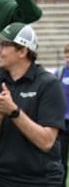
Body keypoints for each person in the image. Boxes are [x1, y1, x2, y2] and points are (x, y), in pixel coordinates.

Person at [0, 23, 65, 186]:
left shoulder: (48, 84)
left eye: (3, 45)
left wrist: (14, 111)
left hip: (40, 181)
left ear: (23, 51)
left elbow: (46, 142)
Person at [55, 43, 69, 184]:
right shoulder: (59, 73)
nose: (68, 58)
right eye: (66, 55)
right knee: (61, 160)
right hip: (63, 123)